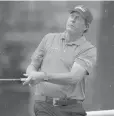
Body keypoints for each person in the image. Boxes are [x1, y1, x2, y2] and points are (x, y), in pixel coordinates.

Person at [23, 5, 97, 116]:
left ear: (86, 26)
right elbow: (32, 65)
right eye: (72, 16)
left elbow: (73, 78)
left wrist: (42, 76)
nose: (73, 19)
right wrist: (32, 74)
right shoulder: (48, 38)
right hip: (44, 105)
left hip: (71, 108)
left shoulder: (88, 49)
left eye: (78, 18)